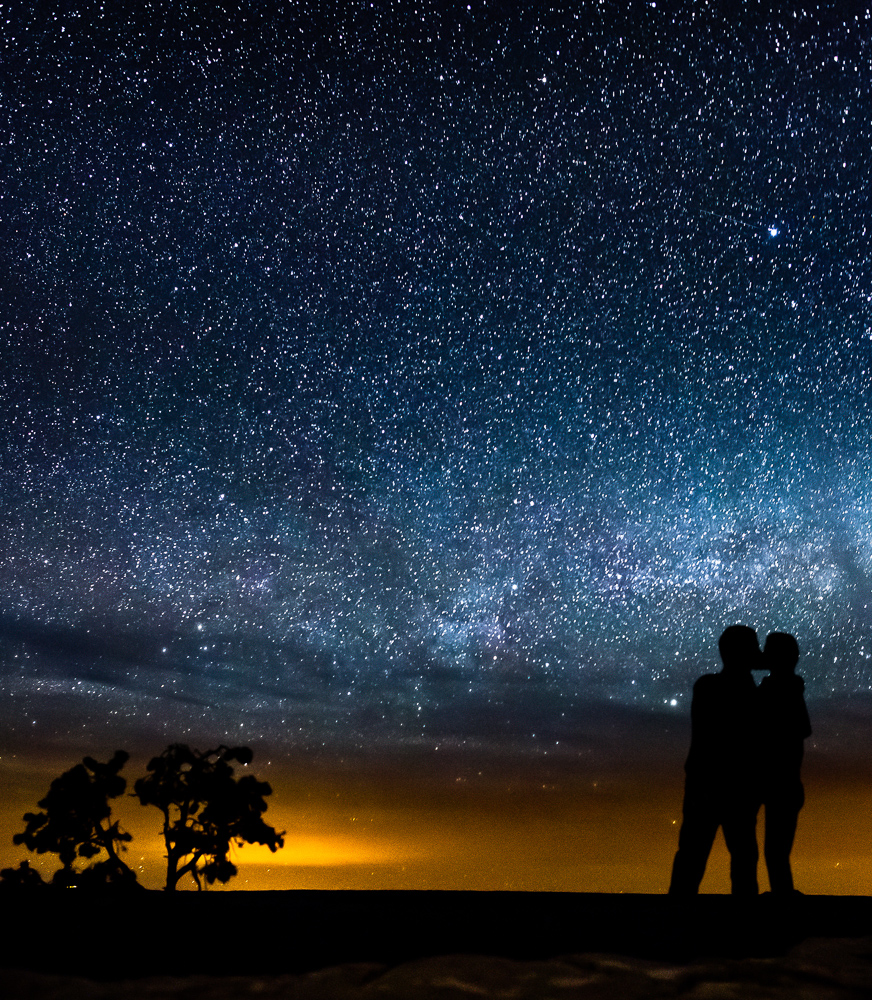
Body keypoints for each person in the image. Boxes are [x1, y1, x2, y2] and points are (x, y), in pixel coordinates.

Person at [669, 624, 762, 896]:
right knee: (740, 860)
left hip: (706, 785)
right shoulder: (747, 693)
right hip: (732, 787)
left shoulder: (708, 686)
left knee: (692, 857)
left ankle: (673, 921)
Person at [758, 632, 811, 895]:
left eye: (767, 650)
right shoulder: (787, 686)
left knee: (775, 851)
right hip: (785, 781)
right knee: (776, 851)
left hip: (780, 781)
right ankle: (783, 899)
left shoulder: (780, 688)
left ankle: (783, 903)